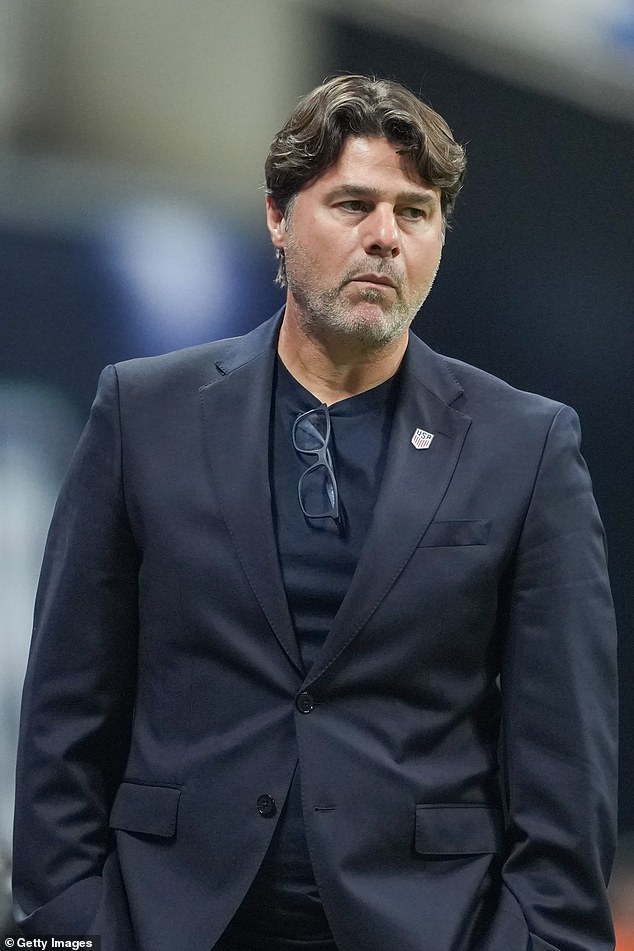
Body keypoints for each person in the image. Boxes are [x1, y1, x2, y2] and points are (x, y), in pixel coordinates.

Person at [13, 74, 618, 951]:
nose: (385, 237)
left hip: (427, 928)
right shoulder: (142, 414)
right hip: (169, 923)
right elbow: (64, 716)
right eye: (353, 203)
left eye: (415, 213)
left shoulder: (526, 446)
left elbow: (566, 758)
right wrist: (73, 926)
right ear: (278, 216)